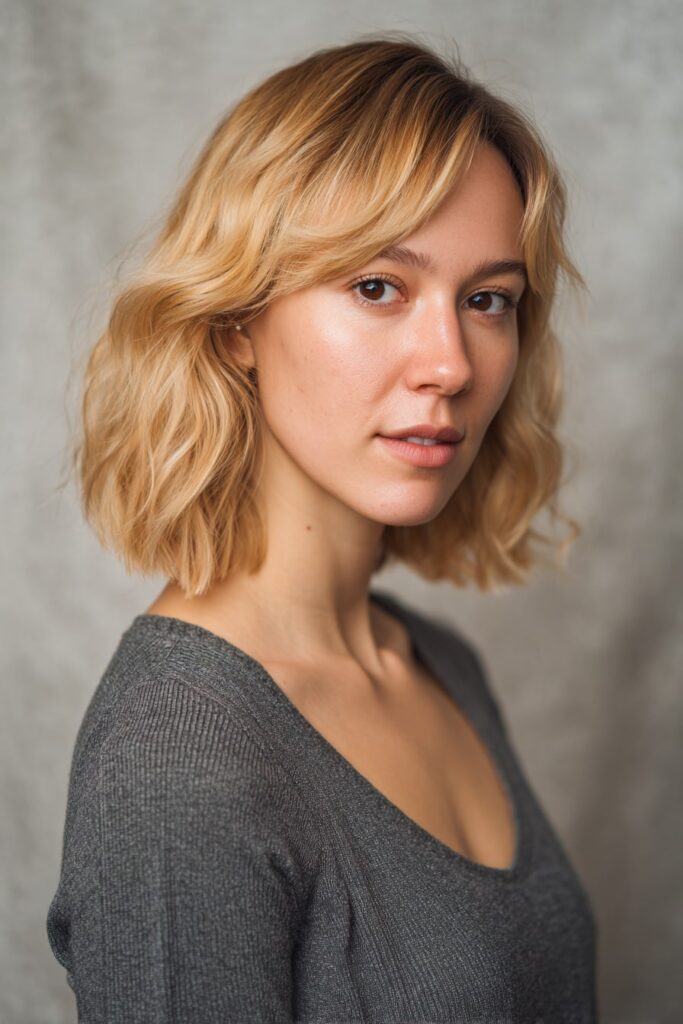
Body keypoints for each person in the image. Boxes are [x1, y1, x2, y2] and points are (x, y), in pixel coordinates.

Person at [46, 33, 599, 1022]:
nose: (450, 364)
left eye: (486, 301)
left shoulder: (439, 662)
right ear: (236, 324)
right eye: (376, 287)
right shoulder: (179, 760)